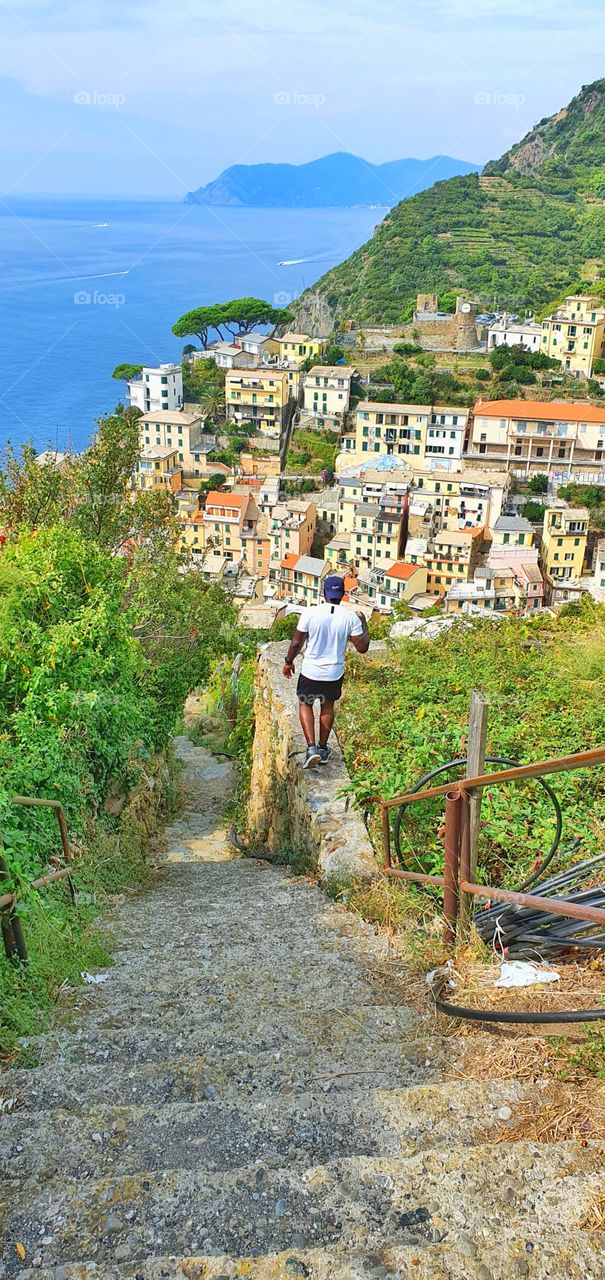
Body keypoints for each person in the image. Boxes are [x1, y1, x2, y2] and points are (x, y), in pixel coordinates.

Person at [282, 574, 370, 768]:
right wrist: (363, 623)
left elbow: (297, 642)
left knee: (305, 704)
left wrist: (288, 661)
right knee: (327, 706)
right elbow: (362, 647)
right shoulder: (349, 618)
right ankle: (323, 749)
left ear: (323, 593)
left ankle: (311, 748)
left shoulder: (310, 613)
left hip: (311, 670)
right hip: (334, 673)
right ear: (343, 594)